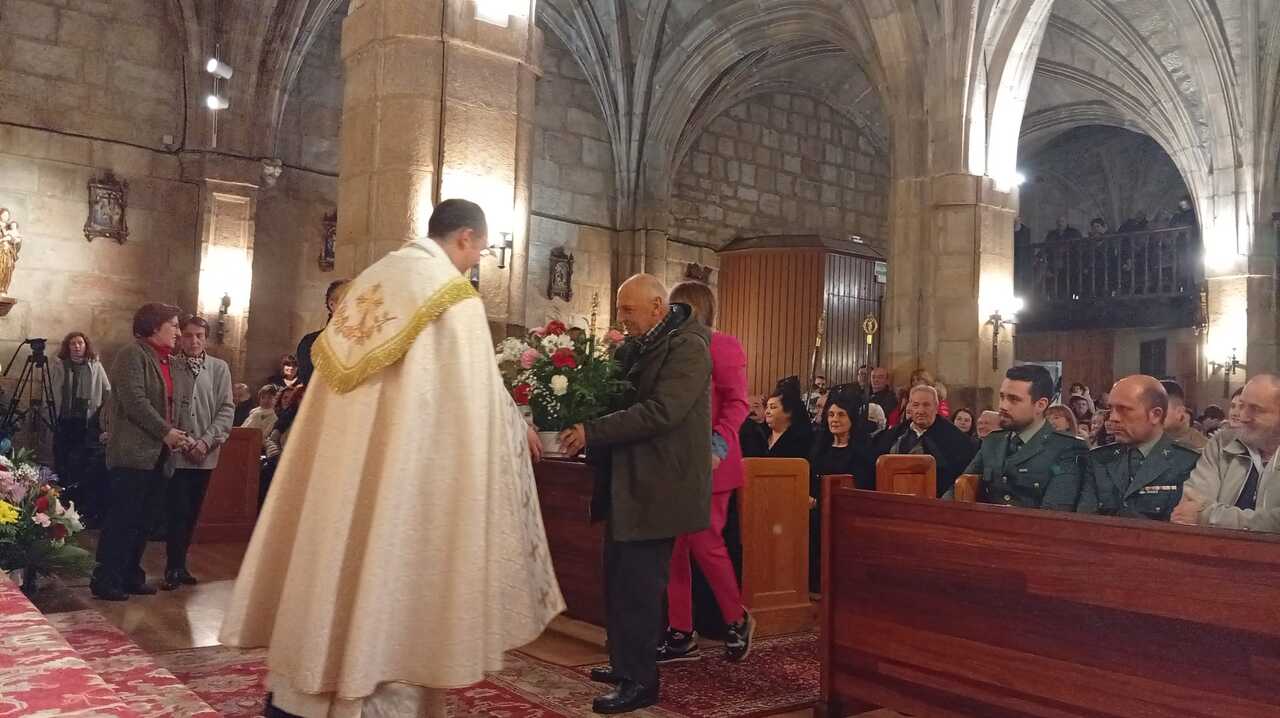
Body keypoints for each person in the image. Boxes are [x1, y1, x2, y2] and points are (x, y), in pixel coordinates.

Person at [220, 199, 564, 718]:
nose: (478, 262)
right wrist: (517, 433)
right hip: (407, 486)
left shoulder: (369, 285)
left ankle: (301, 698)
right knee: (392, 586)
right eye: (481, 251)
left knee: (335, 566)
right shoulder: (454, 300)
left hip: (336, 480)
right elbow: (475, 409)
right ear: (466, 238)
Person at [557, 273, 711, 714]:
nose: (621, 319)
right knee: (618, 580)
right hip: (628, 481)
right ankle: (624, 663)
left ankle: (641, 680)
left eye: (628, 310)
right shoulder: (636, 345)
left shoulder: (688, 347)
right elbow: (612, 395)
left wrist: (593, 431)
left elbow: (661, 412)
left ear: (658, 307)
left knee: (641, 588)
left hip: (659, 485)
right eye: (620, 309)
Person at [658, 281, 754, 666]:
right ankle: (681, 632)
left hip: (714, 460)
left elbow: (738, 403)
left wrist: (718, 443)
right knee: (675, 549)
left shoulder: (723, 345)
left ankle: (736, 619)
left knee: (705, 543)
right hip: (675, 463)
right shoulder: (671, 347)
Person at [92, 303, 192, 601]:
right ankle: (106, 578)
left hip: (158, 455)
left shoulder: (167, 361)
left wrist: (179, 434)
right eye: (172, 325)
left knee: (144, 520)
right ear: (152, 326)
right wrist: (166, 432)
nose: (178, 331)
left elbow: (172, 403)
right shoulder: (132, 354)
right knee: (123, 518)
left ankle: (130, 574)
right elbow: (135, 401)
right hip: (133, 453)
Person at [952, 364, 1085, 510]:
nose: (1003, 406)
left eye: (1013, 399)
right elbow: (958, 491)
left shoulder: (1066, 449)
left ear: (1040, 405)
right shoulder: (993, 441)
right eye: (1002, 397)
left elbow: (1053, 515)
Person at [165, 316, 235, 590]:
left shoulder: (219, 368)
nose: (194, 341)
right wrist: (185, 442)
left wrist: (205, 442)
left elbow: (225, 408)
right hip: (178, 452)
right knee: (176, 511)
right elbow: (168, 406)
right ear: (180, 337)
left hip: (205, 453)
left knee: (193, 510)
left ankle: (183, 566)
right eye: (188, 335)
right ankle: (172, 565)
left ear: (206, 339)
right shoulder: (171, 365)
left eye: (199, 336)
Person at [1078, 376, 1199, 519]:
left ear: (1155, 415)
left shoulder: (1188, 463)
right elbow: (1086, 522)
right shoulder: (1098, 459)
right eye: (1111, 409)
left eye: (1124, 409)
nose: (1113, 418)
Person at [1172, 375, 1280, 532]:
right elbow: (1190, 503)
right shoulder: (1221, 442)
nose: (1242, 416)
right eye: (1241, 406)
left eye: (1255, 409)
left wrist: (1207, 516)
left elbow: (1276, 523)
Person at [809, 392, 876, 593]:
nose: (835, 420)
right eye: (831, 415)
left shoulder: (863, 452)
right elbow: (812, 478)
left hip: (846, 515)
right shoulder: (820, 447)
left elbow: (861, 487)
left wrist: (821, 501)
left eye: (841, 415)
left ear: (852, 419)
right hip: (816, 511)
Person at [876, 385, 976, 498]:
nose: (920, 410)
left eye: (926, 405)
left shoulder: (956, 439)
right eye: (916, 405)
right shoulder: (894, 434)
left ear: (936, 407)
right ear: (910, 407)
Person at [49, 332, 112, 508]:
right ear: (67, 347)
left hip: (87, 422)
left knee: (82, 461)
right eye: (72, 344)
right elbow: (53, 390)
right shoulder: (60, 365)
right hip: (65, 420)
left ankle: (78, 502)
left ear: (86, 345)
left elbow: (108, 391)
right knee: (62, 459)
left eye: (80, 343)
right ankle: (60, 501)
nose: (77, 347)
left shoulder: (95, 365)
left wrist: (105, 420)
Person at [295, 279, 350, 387]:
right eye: (349, 299)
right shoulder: (311, 343)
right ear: (332, 305)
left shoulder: (364, 343)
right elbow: (311, 384)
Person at [759, 384, 813, 459]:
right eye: (767, 407)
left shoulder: (800, 442)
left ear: (789, 412)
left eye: (773, 407)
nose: (767, 412)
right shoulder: (759, 435)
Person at [1160, 380, 1208, 451]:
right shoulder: (1147, 440)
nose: (1152, 415)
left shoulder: (1202, 449)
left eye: (1160, 410)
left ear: (1179, 411)